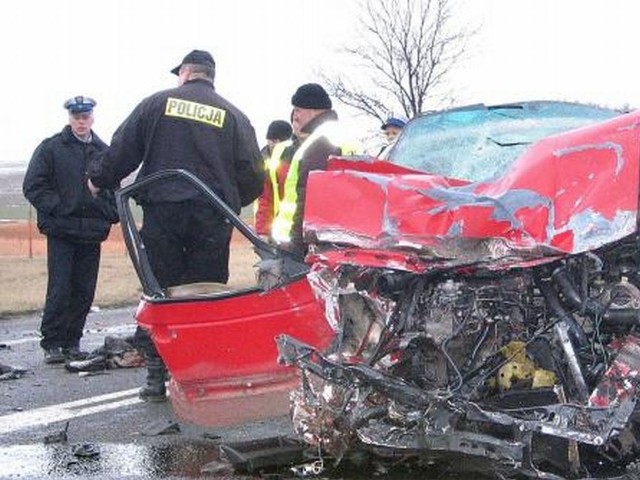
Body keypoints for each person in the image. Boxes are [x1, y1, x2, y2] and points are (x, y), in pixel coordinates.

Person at [87, 49, 264, 402]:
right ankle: (202, 372)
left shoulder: (156, 104)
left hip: (163, 211)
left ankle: (157, 374)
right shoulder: (234, 115)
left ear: (184, 73)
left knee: (161, 289)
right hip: (212, 216)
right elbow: (253, 175)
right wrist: (228, 202)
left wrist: (98, 178)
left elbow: (123, 149)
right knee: (205, 291)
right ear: (210, 77)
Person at [22, 96, 119, 365]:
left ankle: (72, 342)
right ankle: (52, 343)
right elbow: (33, 185)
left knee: (84, 290)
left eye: (85, 117)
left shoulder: (103, 151)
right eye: (76, 117)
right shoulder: (51, 148)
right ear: (69, 117)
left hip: (91, 233)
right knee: (60, 288)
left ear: (92, 118)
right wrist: (60, 207)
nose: (81, 121)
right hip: (62, 232)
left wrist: (108, 214)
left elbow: (114, 190)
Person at [271, 83, 360, 255]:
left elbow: (307, 196)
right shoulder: (341, 136)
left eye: (298, 110)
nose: (294, 116)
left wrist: (297, 243)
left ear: (312, 111)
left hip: (305, 244)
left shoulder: (321, 142)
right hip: (337, 237)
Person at [254, 119, 293, 238]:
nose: (273, 144)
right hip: (273, 226)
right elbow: (265, 199)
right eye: (271, 140)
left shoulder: (292, 160)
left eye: (276, 141)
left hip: (289, 225)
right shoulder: (263, 162)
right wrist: (262, 231)